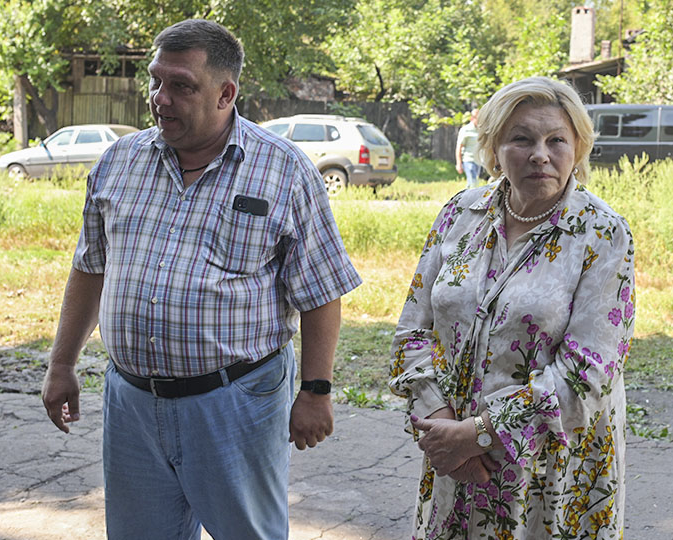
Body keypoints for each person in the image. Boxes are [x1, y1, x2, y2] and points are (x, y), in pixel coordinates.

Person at [40, 19, 361, 540]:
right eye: (155, 81)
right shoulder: (120, 162)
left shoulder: (283, 170)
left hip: (236, 402)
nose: (160, 98)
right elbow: (90, 267)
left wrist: (316, 391)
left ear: (225, 94)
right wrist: (62, 364)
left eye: (181, 86)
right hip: (132, 404)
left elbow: (321, 291)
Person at [390, 76, 635, 539]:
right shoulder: (460, 214)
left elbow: (589, 373)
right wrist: (443, 427)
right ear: (494, 147)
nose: (540, 154)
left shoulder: (602, 233)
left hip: (548, 471)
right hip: (454, 457)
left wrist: (479, 434)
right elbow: (412, 331)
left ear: (578, 148)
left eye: (556, 140)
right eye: (522, 139)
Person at [455, 108, 483, 189]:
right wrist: (459, 164)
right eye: (478, 119)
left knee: (472, 182)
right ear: (472, 118)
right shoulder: (465, 130)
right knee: (473, 182)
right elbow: (459, 147)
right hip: (468, 160)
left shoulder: (481, 130)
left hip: (478, 161)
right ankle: (472, 195)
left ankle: (466, 194)